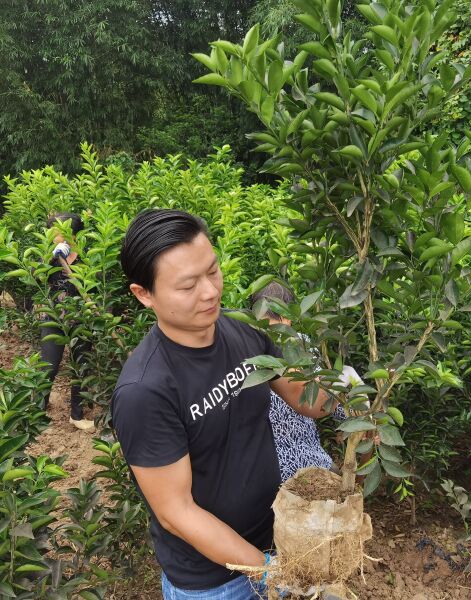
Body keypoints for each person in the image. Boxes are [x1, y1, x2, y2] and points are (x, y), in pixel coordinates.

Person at [111, 209, 347, 600]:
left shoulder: (241, 332)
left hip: (276, 540)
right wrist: (268, 573)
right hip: (214, 582)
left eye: (213, 271)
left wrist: (352, 402)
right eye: (188, 286)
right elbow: (177, 513)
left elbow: (303, 398)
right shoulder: (144, 391)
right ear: (144, 294)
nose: (210, 291)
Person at [251, 282, 348, 483]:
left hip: (271, 471)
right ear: (289, 314)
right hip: (306, 466)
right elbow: (331, 399)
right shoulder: (300, 344)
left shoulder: (244, 346)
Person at [41, 212, 95, 432]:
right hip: (54, 319)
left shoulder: (88, 257)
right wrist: (51, 258)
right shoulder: (50, 256)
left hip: (81, 320)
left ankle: (77, 415)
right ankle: (37, 412)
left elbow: (94, 288)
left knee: (80, 367)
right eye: (51, 234)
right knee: (48, 367)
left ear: (72, 235)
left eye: (57, 234)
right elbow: (35, 275)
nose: (53, 238)